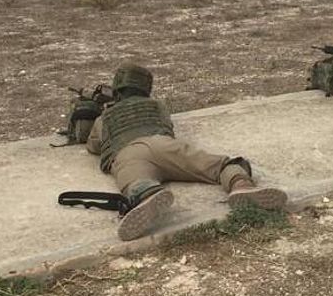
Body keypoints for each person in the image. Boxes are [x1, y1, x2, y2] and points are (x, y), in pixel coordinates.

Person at [85, 63, 287, 241]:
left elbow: (93, 145)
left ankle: (147, 195)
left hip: (129, 154)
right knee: (219, 165)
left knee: (136, 182)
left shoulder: (105, 118)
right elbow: (166, 124)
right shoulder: (157, 106)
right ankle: (240, 184)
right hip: (165, 145)